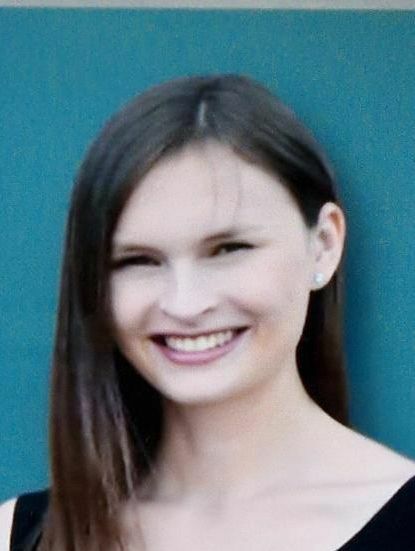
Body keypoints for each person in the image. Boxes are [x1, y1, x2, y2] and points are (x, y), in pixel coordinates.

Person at [1, 75, 414, 551]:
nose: (185, 304)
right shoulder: (19, 533)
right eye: (138, 260)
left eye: (228, 249)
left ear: (323, 245)